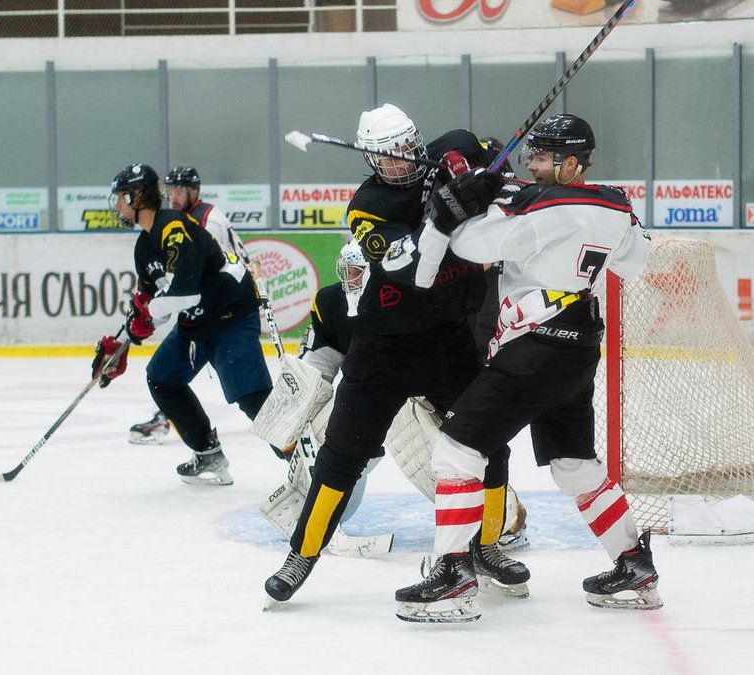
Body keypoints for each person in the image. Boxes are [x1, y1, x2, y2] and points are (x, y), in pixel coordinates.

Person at [393, 113, 659, 622]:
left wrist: (457, 207)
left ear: (572, 163)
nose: (531, 166)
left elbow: (472, 246)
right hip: (578, 347)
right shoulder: (616, 204)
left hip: (533, 349)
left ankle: (451, 572)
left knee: (456, 449)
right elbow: (636, 262)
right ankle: (632, 561)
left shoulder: (540, 205)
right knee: (574, 464)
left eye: (541, 158)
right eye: (531, 156)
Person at [263, 105, 528, 605]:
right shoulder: (368, 204)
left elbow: (497, 162)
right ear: (371, 160)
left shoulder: (448, 150)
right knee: (341, 457)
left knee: (489, 443)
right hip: (383, 351)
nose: (402, 163)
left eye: (408, 149)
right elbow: (408, 263)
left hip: (448, 342)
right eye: (389, 157)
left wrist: (482, 172)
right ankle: (302, 554)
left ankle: (487, 546)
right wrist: (445, 211)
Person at [256, 241, 529, 555]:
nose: (353, 281)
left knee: (442, 457)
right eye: (349, 272)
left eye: (360, 273)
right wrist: (289, 417)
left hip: (426, 397)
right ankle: (319, 516)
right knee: (327, 431)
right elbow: (317, 364)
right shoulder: (331, 302)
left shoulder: (415, 295)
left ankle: (506, 519)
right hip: (370, 396)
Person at [93, 163, 272, 485]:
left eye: (121, 197)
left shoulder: (174, 227)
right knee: (162, 377)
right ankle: (207, 453)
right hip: (197, 323)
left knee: (252, 398)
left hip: (229, 316)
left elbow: (185, 291)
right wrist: (120, 345)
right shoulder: (144, 245)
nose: (117, 205)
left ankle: (305, 459)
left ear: (137, 196)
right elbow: (147, 301)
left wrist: (144, 323)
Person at [128, 166, 254, 446]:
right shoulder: (174, 221)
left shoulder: (206, 218)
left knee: (249, 394)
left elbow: (209, 271)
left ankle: (293, 442)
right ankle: (171, 417)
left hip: (227, 307)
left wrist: (161, 306)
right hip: (204, 307)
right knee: (165, 374)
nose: (174, 197)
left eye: (180, 191)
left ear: (194, 191)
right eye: (170, 191)